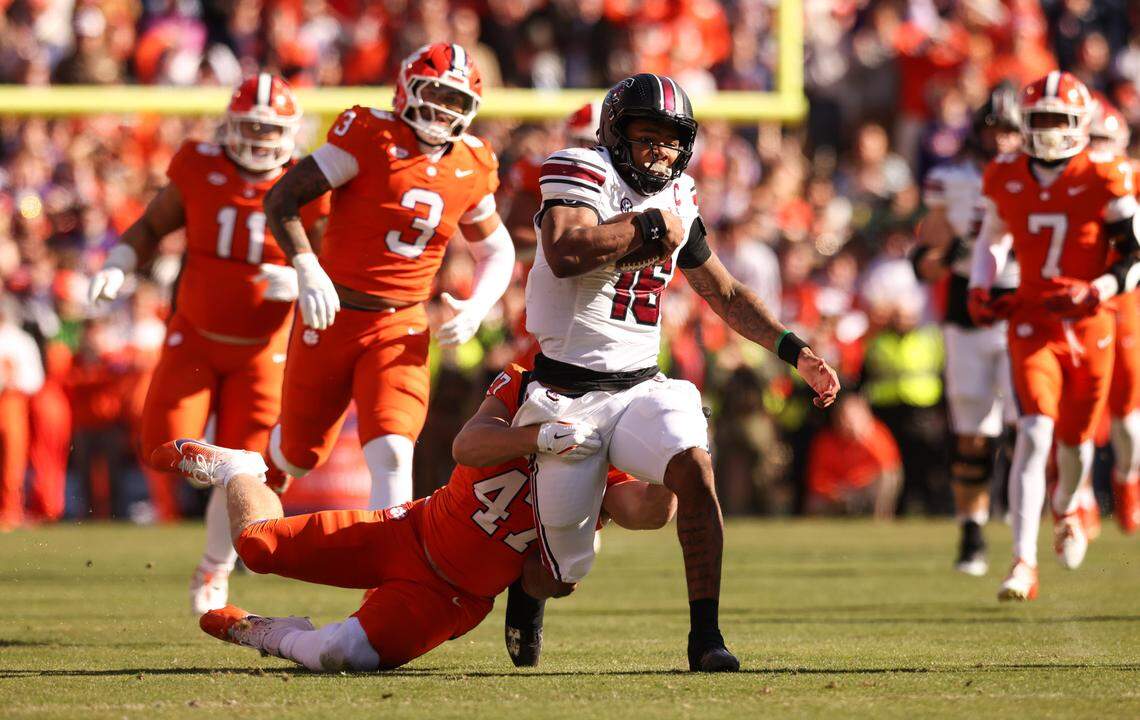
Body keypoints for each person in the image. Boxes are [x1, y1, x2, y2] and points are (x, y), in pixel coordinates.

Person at [515, 73, 840, 672]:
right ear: (615, 134)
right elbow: (564, 254)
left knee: (693, 469)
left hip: (641, 382)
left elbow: (725, 292)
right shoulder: (582, 169)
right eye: (647, 137)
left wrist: (794, 350)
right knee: (562, 574)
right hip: (567, 392)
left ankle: (706, 638)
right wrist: (644, 227)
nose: (660, 152)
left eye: (671, 140)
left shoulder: (679, 197)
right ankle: (530, 588)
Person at [150, 361, 676, 672]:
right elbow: (468, 446)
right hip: (408, 530)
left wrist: (679, 454)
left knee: (341, 655)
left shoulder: (608, 456)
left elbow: (647, 512)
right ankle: (239, 468)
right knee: (258, 547)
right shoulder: (526, 384)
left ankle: (268, 634)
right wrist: (538, 438)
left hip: (451, 598)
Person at [87, 74, 328, 613]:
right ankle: (223, 478)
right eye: (250, 127)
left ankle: (215, 566)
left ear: (290, 131)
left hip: (263, 348)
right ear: (230, 125)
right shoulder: (199, 165)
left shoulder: (309, 183)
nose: (260, 139)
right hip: (194, 338)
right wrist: (120, 260)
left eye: (270, 129)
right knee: (161, 446)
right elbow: (153, 225)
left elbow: (336, 260)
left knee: (250, 470)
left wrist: (305, 276)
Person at [260, 43, 515, 514]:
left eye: (456, 101)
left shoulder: (471, 163)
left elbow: (496, 248)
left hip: (401, 322)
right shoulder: (370, 136)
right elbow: (282, 198)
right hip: (333, 313)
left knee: (393, 450)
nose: (444, 110)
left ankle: (387, 558)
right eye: (435, 94)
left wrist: (478, 306)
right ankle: (259, 479)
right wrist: (307, 267)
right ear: (407, 89)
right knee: (299, 455)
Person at [968, 71, 1140, 601]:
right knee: (1034, 432)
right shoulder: (1005, 173)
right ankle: (1023, 561)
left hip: (1092, 322)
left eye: (1056, 119)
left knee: (1075, 443)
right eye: (1037, 119)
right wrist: (980, 284)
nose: (1045, 130)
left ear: (1080, 124)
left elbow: (1134, 256)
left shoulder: (1106, 173)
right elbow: (992, 237)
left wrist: (1096, 289)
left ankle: (1067, 504)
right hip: (1034, 318)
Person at [911, 82, 1022, 575]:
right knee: (972, 433)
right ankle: (973, 533)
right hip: (967, 314)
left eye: (1010, 130)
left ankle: (1025, 523)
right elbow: (924, 262)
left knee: (1028, 425)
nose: (1001, 140)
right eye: (994, 129)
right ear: (978, 131)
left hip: (1022, 312)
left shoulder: (1040, 177)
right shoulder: (951, 180)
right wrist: (950, 254)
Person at [1087, 95, 1140, 534]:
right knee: (1071, 408)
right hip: (1077, 302)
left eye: (1103, 140)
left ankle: (1127, 480)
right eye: (1091, 140)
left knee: (1127, 410)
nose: (1097, 149)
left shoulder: (1130, 178)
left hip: (1122, 301)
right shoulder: (1066, 179)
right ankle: (1079, 497)